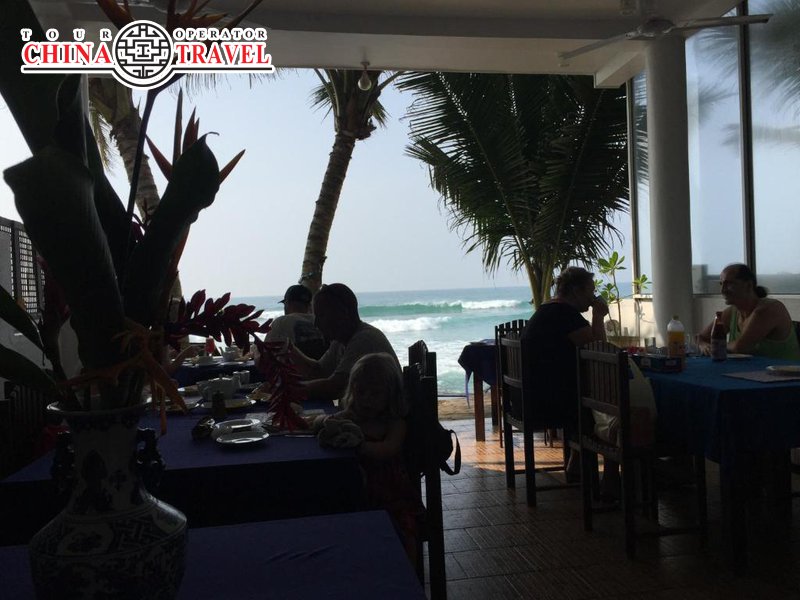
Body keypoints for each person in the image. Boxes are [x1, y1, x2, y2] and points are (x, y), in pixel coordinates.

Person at [321, 352, 423, 561]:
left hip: (392, 495)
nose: (366, 399)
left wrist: (360, 446)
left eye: (375, 394)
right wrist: (326, 424)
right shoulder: (352, 417)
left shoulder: (394, 423)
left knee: (405, 533)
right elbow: (325, 421)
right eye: (360, 392)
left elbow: (388, 449)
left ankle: (408, 570)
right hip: (357, 492)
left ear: (391, 395)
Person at [521, 266, 611, 483]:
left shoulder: (547, 309)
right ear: (576, 291)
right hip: (552, 403)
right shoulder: (565, 315)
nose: (593, 297)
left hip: (532, 397)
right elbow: (600, 352)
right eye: (591, 291)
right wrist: (598, 316)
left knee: (596, 399)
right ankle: (611, 479)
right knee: (610, 408)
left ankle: (578, 463)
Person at [290, 283, 400, 401]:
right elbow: (319, 371)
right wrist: (289, 350)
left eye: (321, 315)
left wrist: (290, 390)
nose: (316, 324)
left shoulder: (364, 340)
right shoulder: (341, 340)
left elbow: (335, 387)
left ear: (342, 313)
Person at [697, 263, 800, 360]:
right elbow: (700, 338)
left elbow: (740, 347)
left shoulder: (768, 309)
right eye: (721, 284)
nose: (723, 290)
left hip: (785, 372)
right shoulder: (732, 312)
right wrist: (704, 346)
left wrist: (715, 345)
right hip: (751, 372)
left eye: (729, 284)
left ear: (748, 285)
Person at [265, 284, 327, 359]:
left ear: (287, 303)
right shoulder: (321, 321)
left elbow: (266, 354)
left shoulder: (281, 322)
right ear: (309, 305)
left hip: (293, 366)